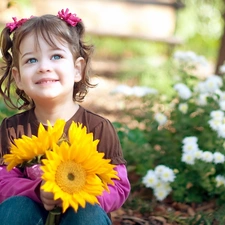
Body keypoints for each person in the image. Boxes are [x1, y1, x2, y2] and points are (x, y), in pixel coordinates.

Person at [0, 8, 130, 225]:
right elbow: (3, 181)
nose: (44, 67)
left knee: (87, 213)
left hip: (81, 214)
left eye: (56, 56)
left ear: (77, 69)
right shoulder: (12, 129)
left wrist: (78, 193)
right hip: (32, 217)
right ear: (18, 77)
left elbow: (118, 185)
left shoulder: (98, 129)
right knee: (15, 207)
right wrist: (38, 190)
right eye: (31, 60)